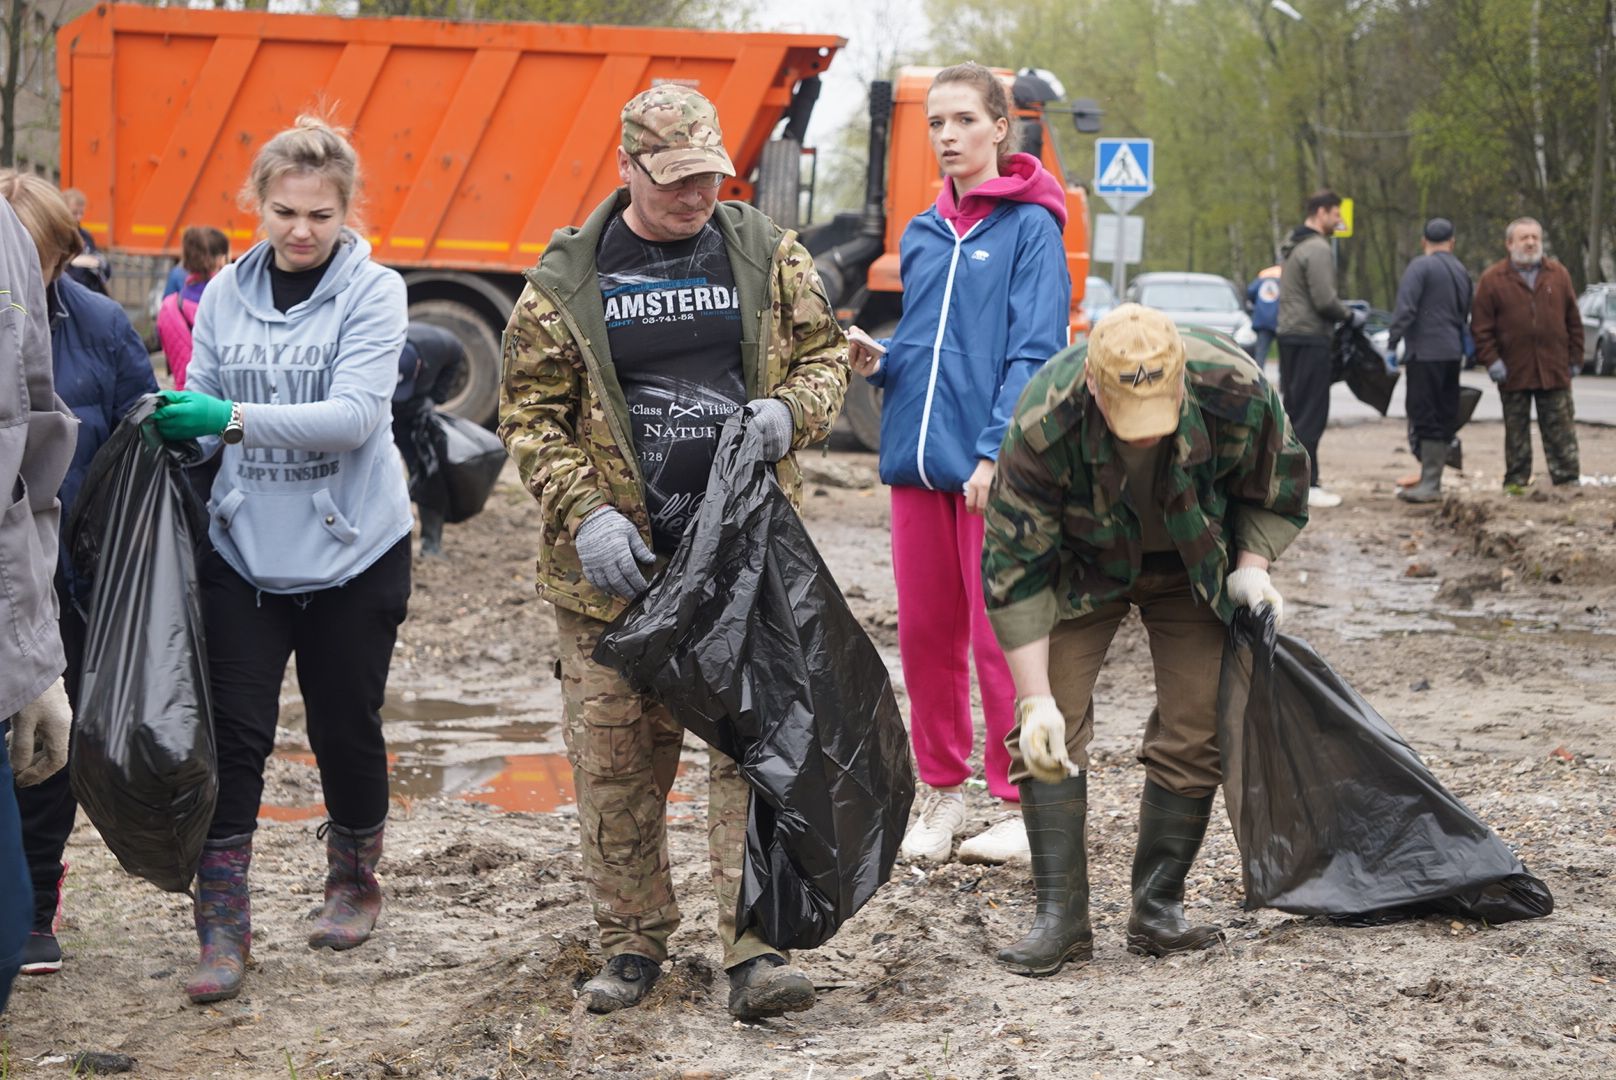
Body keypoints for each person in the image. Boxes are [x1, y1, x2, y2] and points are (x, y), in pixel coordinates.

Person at [498, 85, 848, 1020]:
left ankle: (755, 949)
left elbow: (826, 357)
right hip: (613, 578)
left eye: (707, 176)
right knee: (617, 763)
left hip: (739, 561)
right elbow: (527, 415)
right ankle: (631, 943)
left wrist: (790, 413)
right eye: (673, 179)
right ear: (626, 168)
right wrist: (586, 513)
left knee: (752, 753)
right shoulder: (568, 280)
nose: (695, 195)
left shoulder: (764, 254)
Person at [149, 114, 413, 1004]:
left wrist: (225, 419)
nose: (302, 230)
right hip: (246, 547)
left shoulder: (375, 291)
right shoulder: (224, 292)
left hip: (355, 551)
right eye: (286, 212)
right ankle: (223, 926)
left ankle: (353, 882)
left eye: (321, 215)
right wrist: (178, 423)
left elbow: (354, 418)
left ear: (347, 212)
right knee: (234, 737)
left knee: (344, 724)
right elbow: (204, 396)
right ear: (256, 207)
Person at [981, 304, 1310, 977]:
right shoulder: (1046, 417)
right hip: (1080, 569)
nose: (1147, 433)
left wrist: (1252, 569)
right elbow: (1015, 570)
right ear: (1094, 387)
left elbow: (1275, 482)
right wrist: (1035, 701)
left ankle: (1158, 908)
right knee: (1047, 731)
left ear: (1182, 378)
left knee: (1198, 726)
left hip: (1193, 564)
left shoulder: (1234, 386)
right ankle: (1060, 919)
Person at [845, 62, 1071, 868]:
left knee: (998, 635)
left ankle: (1021, 802)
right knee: (925, 636)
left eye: (965, 120)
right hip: (915, 464)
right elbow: (930, 346)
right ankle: (942, 794)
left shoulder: (1032, 228)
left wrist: (992, 452)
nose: (948, 135)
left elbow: (1035, 352)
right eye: (936, 123)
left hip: (988, 472)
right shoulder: (922, 232)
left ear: (1001, 128)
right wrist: (882, 361)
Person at [1, 171, 158, 977]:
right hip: (10, 560)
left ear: (62, 258)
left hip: (69, 574)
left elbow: (142, 425)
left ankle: (35, 899)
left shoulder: (98, 325)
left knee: (44, 747)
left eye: (38, 260)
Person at [0, 195, 77, 1013]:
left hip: (30, 598)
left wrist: (36, 661)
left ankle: (40, 899)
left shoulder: (5, 248)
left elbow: (32, 474)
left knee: (4, 925)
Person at [1471, 217, 1582, 493]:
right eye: (1524, 238)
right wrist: (1492, 361)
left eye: (1535, 237)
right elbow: (1481, 328)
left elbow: (1573, 320)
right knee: (1516, 432)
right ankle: (1516, 481)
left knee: (1560, 428)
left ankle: (1567, 479)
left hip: (1553, 368)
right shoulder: (1493, 279)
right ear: (1510, 244)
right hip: (1513, 369)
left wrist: (1575, 359)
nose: (1531, 243)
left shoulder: (1558, 274)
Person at [1276, 189, 1363, 509]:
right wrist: (1351, 315)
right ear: (1322, 212)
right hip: (1310, 337)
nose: (1339, 220)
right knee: (1311, 413)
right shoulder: (1317, 248)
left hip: (1289, 336)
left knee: (1295, 410)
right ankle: (1306, 486)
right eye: (1336, 214)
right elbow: (1324, 299)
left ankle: (1291, 481)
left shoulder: (1294, 245)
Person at [1386, 217, 1472, 504]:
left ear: (1424, 241)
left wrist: (1392, 343)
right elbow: (1465, 311)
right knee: (1444, 412)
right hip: (1452, 352)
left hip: (1425, 354)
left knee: (1424, 413)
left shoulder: (1420, 267)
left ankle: (1431, 483)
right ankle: (1430, 477)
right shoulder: (1461, 270)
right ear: (1452, 242)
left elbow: (1406, 309)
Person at [392, 322, 465, 556]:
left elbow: (456, 356)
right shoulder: (381, 345)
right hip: (381, 407)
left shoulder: (440, 345)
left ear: (419, 366)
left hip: (415, 411)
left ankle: (431, 545)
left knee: (428, 471)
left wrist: (435, 398)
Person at [156, 225, 230, 388]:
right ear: (221, 259)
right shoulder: (228, 302)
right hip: (219, 398)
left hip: (184, 393)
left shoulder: (170, 306)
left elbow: (161, 343)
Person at [58, 188, 111, 295]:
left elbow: (106, 269)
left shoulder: (85, 236)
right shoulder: (57, 236)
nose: (79, 218)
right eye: (74, 213)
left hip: (91, 291)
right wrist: (73, 262)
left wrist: (98, 262)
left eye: (81, 213)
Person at [1245, 261, 1281, 364]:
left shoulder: (1263, 275)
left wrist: (1256, 304)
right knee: (1284, 354)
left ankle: (1258, 373)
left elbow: (1250, 291)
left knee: (1261, 351)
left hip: (1262, 320)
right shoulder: (1284, 276)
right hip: (1280, 319)